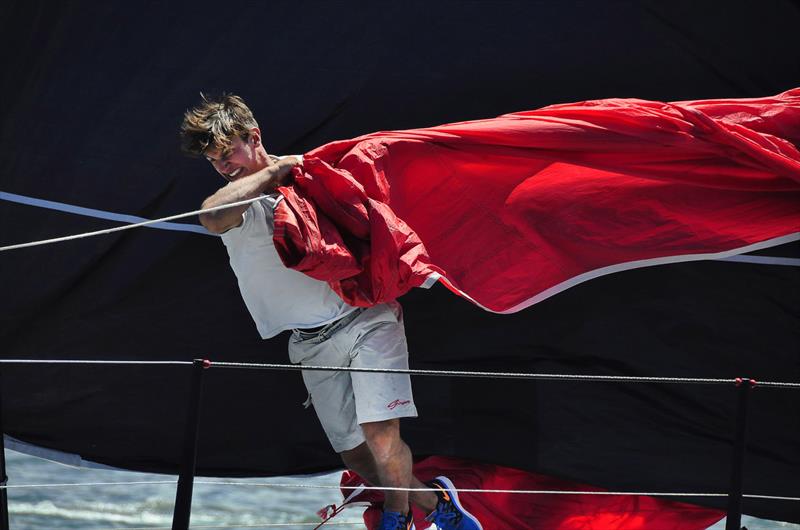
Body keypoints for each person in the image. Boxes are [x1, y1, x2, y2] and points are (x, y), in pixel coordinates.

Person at [180, 93, 483, 530]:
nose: (225, 166)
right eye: (215, 161)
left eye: (229, 152)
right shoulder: (236, 204)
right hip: (309, 342)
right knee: (353, 454)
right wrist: (271, 173)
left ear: (254, 136)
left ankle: (397, 520)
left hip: (365, 318)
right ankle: (434, 503)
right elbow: (211, 217)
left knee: (380, 434)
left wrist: (290, 172)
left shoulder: (309, 175)